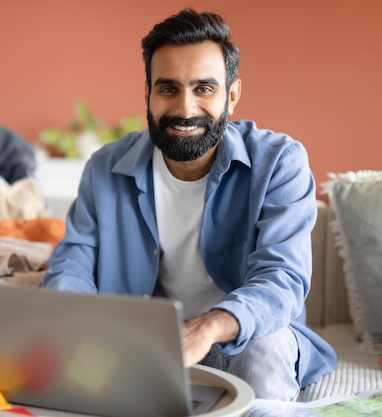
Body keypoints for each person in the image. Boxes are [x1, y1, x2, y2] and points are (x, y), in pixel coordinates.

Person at [41, 8, 337, 401]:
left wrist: (210, 327)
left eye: (204, 89)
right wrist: (73, 320)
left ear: (232, 94)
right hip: (143, 344)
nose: (184, 109)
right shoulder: (105, 167)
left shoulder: (280, 162)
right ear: (148, 93)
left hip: (244, 336)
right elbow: (73, 261)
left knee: (261, 350)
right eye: (168, 89)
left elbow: (283, 279)